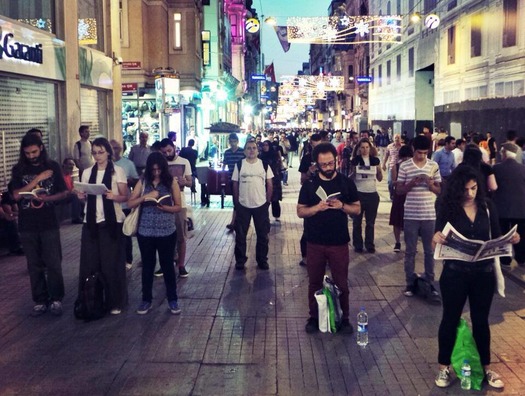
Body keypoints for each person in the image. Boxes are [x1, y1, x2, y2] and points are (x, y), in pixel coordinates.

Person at [432, 165, 519, 389]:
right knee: (450, 319)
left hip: (483, 274)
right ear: (456, 189)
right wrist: (437, 238)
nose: (470, 193)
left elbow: (497, 235)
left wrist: (511, 239)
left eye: (474, 188)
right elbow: (436, 235)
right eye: (465, 189)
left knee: (481, 321)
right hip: (454, 274)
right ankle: (444, 368)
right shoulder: (447, 207)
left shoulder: (487, 206)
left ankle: (486, 368)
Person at [297, 143, 361, 334]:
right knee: (314, 282)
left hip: (338, 242)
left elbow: (357, 209)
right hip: (315, 241)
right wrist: (317, 208)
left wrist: (342, 206)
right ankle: (314, 317)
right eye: (323, 164)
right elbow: (300, 211)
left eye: (331, 163)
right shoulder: (309, 185)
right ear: (316, 164)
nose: (328, 167)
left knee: (341, 283)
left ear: (336, 160)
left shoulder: (345, 183)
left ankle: (344, 318)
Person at [11, 133, 68, 316]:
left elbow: (64, 193)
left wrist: (48, 197)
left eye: (34, 152)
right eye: (27, 153)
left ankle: (56, 298)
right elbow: (16, 195)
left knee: (53, 263)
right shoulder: (18, 169)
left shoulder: (53, 166)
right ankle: (40, 300)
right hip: (27, 224)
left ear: (41, 148)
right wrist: (37, 179)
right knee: (33, 264)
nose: (31, 156)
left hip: (49, 221)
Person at [76, 137, 129, 315]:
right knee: (89, 263)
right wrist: (81, 196)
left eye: (101, 152)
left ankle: (115, 301)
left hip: (111, 221)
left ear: (108, 152)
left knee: (111, 263)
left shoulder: (117, 171)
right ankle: (91, 301)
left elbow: (125, 196)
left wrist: (113, 196)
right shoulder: (87, 172)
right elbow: (82, 193)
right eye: (95, 153)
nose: (98, 156)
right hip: (90, 222)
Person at [127, 153, 183, 315]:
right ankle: (146, 299)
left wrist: (166, 208)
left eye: (159, 169)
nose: (156, 173)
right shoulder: (143, 181)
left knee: (167, 266)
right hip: (146, 231)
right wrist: (146, 197)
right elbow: (130, 202)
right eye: (153, 170)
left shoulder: (171, 181)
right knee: (148, 266)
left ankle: (173, 299)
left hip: (167, 231)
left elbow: (178, 206)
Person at [396, 135, 442, 297]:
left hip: (429, 214)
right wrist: (410, 184)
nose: (422, 156)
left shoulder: (433, 165)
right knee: (410, 251)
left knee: (430, 251)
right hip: (411, 214)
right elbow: (398, 190)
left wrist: (430, 185)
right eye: (419, 153)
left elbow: (440, 191)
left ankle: (429, 281)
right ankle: (410, 283)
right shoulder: (405, 166)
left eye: (425, 153)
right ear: (413, 150)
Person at [232, 139, 273, 270]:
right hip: (243, 205)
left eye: (254, 148)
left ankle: (262, 260)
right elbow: (235, 184)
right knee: (240, 234)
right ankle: (240, 260)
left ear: (257, 150)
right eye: (248, 148)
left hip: (260, 205)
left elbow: (270, 184)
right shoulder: (239, 164)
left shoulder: (264, 165)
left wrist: (267, 201)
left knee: (262, 235)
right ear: (244, 151)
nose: (251, 150)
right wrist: (237, 202)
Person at [159, 138, 193, 277]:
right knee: (163, 236)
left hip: (180, 202)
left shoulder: (184, 162)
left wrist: (186, 181)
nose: (167, 154)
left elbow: (191, 182)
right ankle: (165, 263)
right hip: (164, 201)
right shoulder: (161, 164)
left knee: (181, 236)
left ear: (174, 147)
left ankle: (181, 264)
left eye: (169, 150)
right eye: (164, 152)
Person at [492, 143, 525, 266]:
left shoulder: (496, 168)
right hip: (521, 209)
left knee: (504, 235)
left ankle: (505, 259)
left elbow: (492, 187)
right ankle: (521, 258)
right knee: (521, 234)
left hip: (502, 208)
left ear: (504, 153)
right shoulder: (523, 168)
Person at [110, 140, 139, 270]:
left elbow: (136, 182)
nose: (114, 150)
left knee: (125, 233)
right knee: (112, 234)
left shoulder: (128, 164)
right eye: (112, 148)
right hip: (110, 206)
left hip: (124, 205)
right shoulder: (104, 165)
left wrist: (130, 181)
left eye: (117, 148)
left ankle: (128, 259)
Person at [350, 138, 383, 253]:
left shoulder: (375, 160)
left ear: (370, 148)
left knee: (370, 222)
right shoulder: (355, 161)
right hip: (359, 193)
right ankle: (357, 244)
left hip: (372, 194)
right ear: (359, 149)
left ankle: (369, 244)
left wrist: (378, 170)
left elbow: (380, 178)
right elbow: (350, 178)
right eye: (362, 147)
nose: (365, 150)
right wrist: (354, 172)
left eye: (367, 147)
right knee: (357, 222)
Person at [298, 133, 323, 266]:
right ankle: (305, 256)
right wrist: (309, 171)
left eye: (319, 146)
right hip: (310, 194)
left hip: (325, 195)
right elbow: (302, 180)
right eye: (315, 146)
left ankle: (323, 256)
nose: (317, 150)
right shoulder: (306, 159)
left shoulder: (326, 158)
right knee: (308, 226)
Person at [388, 145, 413, 253]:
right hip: (399, 195)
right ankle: (397, 242)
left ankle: (410, 243)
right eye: (405, 157)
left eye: (408, 157)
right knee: (397, 220)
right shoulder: (396, 166)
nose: (406, 160)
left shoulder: (413, 166)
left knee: (410, 222)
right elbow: (393, 181)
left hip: (411, 196)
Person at [222, 133, 245, 231]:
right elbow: (224, 164)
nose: (232, 143)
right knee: (235, 201)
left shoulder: (242, 152)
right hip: (232, 180)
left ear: (237, 141)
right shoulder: (227, 153)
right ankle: (235, 221)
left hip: (243, 180)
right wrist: (223, 177)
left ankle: (237, 221)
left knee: (241, 201)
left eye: (234, 141)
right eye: (231, 141)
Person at [259, 140, 283, 221]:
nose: (265, 147)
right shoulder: (260, 156)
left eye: (267, 145)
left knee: (274, 198)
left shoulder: (274, 155)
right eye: (264, 145)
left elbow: (278, 167)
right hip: (263, 179)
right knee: (264, 198)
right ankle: (265, 216)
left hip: (274, 179)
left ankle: (276, 214)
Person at [61, 157, 84, 224]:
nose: (71, 166)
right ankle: (76, 218)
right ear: (64, 165)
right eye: (69, 164)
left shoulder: (68, 175)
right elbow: (62, 190)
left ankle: (83, 216)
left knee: (81, 195)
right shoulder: (61, 175)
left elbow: (72, 188)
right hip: (61, 195)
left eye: (72, 165)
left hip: (69, 194)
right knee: (75, 197)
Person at [382, 133, 402, 200]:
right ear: (393, 138)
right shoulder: (389, 146)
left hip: (401, 167)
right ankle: (392, 194)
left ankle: (397, 195)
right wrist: (383, 163)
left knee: (399, 182)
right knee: (390, 182)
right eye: (395, 137)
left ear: (400, 139)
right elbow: (386, 155)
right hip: (392, 166)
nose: (396, 139)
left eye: (398, 138)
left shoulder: (403, 147)